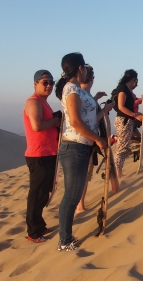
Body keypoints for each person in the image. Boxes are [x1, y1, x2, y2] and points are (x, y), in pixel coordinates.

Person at [54, 53, 107, 252]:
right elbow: (75, 121)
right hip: (75, 147)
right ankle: (64, 240)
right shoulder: (71, 89)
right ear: (79, 69)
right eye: (84, 66)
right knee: (71, 196)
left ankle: (66, 237)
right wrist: (98, 139)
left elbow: (88, 118)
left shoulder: (75, 89)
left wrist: (103, 111)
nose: (85, 69)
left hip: (81, 147)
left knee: (73, 194)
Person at [23, 70, 62, 243]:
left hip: (49, 153)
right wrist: (54, 122)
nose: (49, 86)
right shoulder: (33, 101)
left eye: (51, 83)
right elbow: (37, 126)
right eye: (44, 82)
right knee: (37, 194)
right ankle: (33, 231)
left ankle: (39, 224)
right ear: (35, 84)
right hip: (39, 154)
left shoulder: (44, 103)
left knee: (44, 193)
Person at [75, 65, 116, 213]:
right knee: (84, 173)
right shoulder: (81, 93)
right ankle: (80, 205)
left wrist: (96, 98)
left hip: (86, 139)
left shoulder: (80, 93)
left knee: (83, 173)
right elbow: (91, 120)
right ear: (91, 78)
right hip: (88, 139)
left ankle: (80, 204)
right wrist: (105, 111)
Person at [112, 69, 143, 178]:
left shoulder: (126, 89)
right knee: (121, 148)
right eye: (136, 81)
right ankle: (117, 173)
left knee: (124, 147)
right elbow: (121, 106)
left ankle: (118, 172)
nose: (136, 84)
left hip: (127, 121)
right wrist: (135, 115)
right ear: (134, 79)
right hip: (124, 121)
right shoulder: (123, 89)